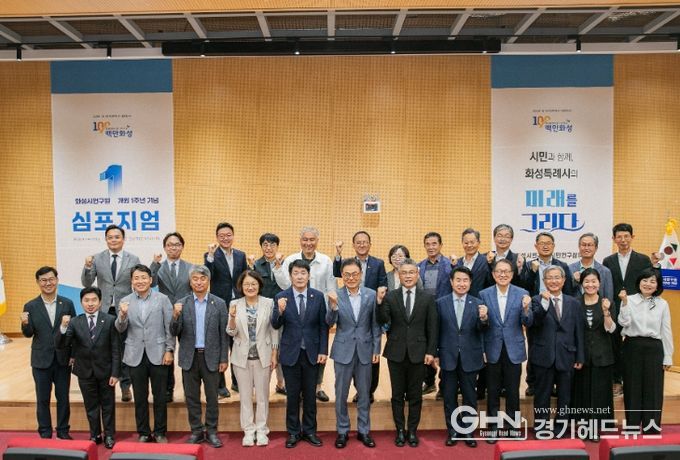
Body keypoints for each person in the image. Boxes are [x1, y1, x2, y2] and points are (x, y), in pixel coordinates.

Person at [377, 258, 438, 448]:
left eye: (412, 272)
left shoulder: (427, 298)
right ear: (399, 275)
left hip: (419, 353)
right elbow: (383, 320)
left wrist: (431, 351)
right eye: (404, 273)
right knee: (397, 395)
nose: (408, 276)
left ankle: (412, 431)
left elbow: (433, 327)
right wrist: (379, 302)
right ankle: (400, 431)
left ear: (417, 274)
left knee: (415, 395)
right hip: (395, 353)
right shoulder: (390, 296)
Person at [271, 259, 329, 448]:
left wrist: (323, 350)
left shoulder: (318, 296)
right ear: (290, 276)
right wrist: (279, 311)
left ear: (309, 275)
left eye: (303, 273)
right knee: (293, 396)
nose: (299, 276)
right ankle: (294, 432)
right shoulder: (281, 296)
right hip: (290, 353)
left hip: (312, 353)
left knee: (310, 396)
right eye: (295, 273)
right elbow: (275, 324)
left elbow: (323, 326)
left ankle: (310, 431)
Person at [115, 264, 174, 443]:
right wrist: (122, 315)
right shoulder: (125, 301)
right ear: (131, 281)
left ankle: (160, 432)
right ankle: (143, 432)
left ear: (150, 280)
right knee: (140, 397)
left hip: (159, 353)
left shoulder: (162, 299)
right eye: (136, 278)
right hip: (135, 355)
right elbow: (120, 328)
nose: (140, 281)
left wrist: (169, 350)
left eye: (143, 278)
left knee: (160, 396)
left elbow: (169, 327)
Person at [326, 259, 382, 449]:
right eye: (347, 275)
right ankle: (342, 431)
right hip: (343, 351)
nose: (351, 278)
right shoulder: (336, 295)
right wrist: (333, 306)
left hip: (365, 350)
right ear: (342, 276)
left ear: (361, 275)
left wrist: (376, 348)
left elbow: (375, 324)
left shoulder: (371, 295)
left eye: (355, 274)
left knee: (364, 394)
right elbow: (329, 322)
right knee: (341, 393)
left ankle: (364, 430)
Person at [171, 265, 228, 448]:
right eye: (195, 279)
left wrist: (223, 359)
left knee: (212, 397)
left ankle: (211, 431)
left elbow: (224, 334)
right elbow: (174, 331)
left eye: (202, 279)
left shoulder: (219, 303)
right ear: (190, 282)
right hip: (189, 357)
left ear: (208, 281)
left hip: (211, 357)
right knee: (191, 397)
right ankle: (196, 431)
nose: (199, 282)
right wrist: (175, 316)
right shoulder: (182, 303)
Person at [277, 226, 336, 402]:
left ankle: (317, 387)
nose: (308, 243)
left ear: (317, 241)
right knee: (295, 349)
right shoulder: (291, 259)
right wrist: (278, 267)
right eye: (305, 239)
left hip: (319, 310)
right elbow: (284, 284)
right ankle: (296, 387)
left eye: (312, 240)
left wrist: (331, 308)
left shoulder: (326, 261)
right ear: (300, 240)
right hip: (295, 310)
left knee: (318, 350)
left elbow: (331, 286)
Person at [81, 224, 140, 401]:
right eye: (110, 237)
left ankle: (126, 386)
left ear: (123, 239)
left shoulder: (133, 259)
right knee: (105, 349)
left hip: (124, 310)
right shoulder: (97, 258)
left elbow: (137, 284)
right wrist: (87, 267)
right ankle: (106, 386)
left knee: (124, 348)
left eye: (117, 237)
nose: (113, 240)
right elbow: (87, 283)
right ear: (106, 239)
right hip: (104, 311)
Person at [56, 286, 120, 449]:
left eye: (93, 300)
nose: (90, 304)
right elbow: (62, 344)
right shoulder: (75, 322)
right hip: (84, 371)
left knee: (108, 405)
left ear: (100, 302)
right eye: (86, 300)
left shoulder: (110, 320)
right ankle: (95, 434)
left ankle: (109, 435)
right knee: (91, 406)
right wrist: (62, 328)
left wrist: (115, 373)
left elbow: (115, 348)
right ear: (81, 302)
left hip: (106, 371)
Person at [478, 259, 532, 444]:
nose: (503, 274)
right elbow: (481, 325)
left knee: (512, 391)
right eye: (499, 271)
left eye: (506, 271)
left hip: (513, 349)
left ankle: (512, 427)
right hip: (492, 348)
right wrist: (483, 318)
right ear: (493, 274)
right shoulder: (484, 294)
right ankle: (493, 428)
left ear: (512, 274)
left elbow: (528, 321)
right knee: (492, 391)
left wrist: (526, 309)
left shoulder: (522, 293)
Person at [21, 266, 77, 440]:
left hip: (62, 359)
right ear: (38, 283)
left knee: (63, 398)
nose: (48, 283)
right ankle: (45, 432)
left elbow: (74, 332)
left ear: (57, 280)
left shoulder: (67, 303)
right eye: (43, 280)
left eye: (51, 279)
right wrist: (24, 324)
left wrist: (73, 354)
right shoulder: (30, 306)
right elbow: (28, 333)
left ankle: (63, 431)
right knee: (42, 399)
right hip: (41, 360)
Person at [436, 266, 488, 448]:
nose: (461, 283)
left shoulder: (478, 303)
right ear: (451, 282)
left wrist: (483, 318)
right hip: (448, 356)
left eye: (465, 280)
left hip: (470, 356)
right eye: (458, 280)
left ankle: (468, 431)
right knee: (449, 396)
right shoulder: (440, 303)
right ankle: (452, 431)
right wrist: (435, 353)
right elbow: (436, 330)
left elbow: (482, 330)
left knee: (470, 397)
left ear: (470, 283)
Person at [333, 231, 387, 405]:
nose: (362, 245)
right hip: (350, 312)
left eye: (365, 242)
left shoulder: (378, 263)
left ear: (370, 244)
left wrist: (378, 301)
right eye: (358, 242)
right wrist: (338, 255)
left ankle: (368, 391)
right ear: (353, 245)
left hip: (369, 310)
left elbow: (383, 284)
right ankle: (359, 391)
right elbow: (337, 273)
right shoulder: (349, 264)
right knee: (352, 359)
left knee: (370, 360)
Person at [529, 265, 584, 436]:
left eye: (557, 277)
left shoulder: (574, 303)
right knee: (542, 396)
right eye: (549, 278)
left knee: (565, 396)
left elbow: (578, 331)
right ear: (544, 281)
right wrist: (545, 303)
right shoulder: (536, 300)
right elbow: (534, 323)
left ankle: (561, 428)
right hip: (543, 356)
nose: (553, 281)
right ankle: (541, 428)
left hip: (567, 355)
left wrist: (580, 356)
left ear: (564, 280)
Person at [618, 268, 673, 434]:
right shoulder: (628, 299)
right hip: (632, 346)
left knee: (653, 389)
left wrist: (668, 356)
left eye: (652, 281)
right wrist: (625, 303)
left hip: (654, 348)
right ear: (639, 282)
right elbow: (623, 322)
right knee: (632, 387)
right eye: (645, 280)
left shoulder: (662, 304)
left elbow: (666, 330)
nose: (648, 284)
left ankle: (651, 427)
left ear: (657, 285)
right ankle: (633, 426)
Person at [227, 270, 279, 447]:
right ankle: (248, 431)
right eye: (247, 284)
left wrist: (274, 354)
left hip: (263, 356)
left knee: (263, 396)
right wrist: (232, 317)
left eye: (253, 284)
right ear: (241, 286)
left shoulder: (268, 303)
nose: (250, 287)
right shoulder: (234, 304)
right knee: (245, 397)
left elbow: (274, 330)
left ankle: (262, 430)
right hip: (241, 358)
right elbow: (231, 332)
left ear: (259, 285)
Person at [602, 223, 654, 397]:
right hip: (615, 308)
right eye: (619, 237)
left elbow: (650, 282)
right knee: (615, 345)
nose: (623, 240)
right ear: (614, 239)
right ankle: (616, 380)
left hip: (637, 309)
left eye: (626, 236)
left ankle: (633, 381)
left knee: (634, 346)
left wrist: (656, 265)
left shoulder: (643, 260)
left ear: (632, 237)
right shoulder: (608, 261)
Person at [521, 232, 574, 396]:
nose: (545, 246)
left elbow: (568, 290)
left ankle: (555, 383)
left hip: (557, 309)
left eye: (548, 243)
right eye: (541, 243)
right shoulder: (529, 265)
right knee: (535, 346)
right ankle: (533, 382)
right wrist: (532, 272)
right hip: (537, 309)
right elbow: (523, 288)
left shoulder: (562, 265)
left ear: (553, 246)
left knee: (557, 346)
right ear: (535, 246)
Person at [571, 268, 616, 440]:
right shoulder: (575, 303)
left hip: (602, 354)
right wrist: (576, 355)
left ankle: (596, 427)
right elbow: (573, 331)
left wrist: (606, 312)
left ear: (599, 283)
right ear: (581, 283)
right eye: (587, 281)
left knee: (599, 393)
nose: (590, 285)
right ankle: (583, 427)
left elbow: (611, 329)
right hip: (582, 356)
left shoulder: (607, 302)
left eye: (594, 281)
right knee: (582, 392)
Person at [205, 222, 247, 399]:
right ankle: (220, 385)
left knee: (237, 344)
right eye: (221, 236)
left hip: (238, 304)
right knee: (220, 345)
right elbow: (208, 275)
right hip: (219, 304)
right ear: (217, 237)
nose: (225, 238)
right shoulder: (210, 255)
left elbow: (245, 278)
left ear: (233, 236)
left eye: (228, 235)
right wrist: (210, 256)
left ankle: (237, 382)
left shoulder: (240, 255)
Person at [151, 231, 193, 403]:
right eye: (170, 245)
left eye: (177, 244)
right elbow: (151, 283)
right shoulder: (158, 267)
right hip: (164, 314)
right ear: (165, 247)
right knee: (166, 352)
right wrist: (154, 264)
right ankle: (168, 389)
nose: (173, 248)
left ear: (182, 247)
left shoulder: (190, 267)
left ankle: (189, 390)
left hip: (186, 314)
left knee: (187, 353)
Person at [249, 232, 287, 395]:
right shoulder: (255, 265)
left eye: (272, 244)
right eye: (265, 244)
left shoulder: (285, 264)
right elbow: (251, 288)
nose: (269, 248)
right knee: (264, 350)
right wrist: (250, 268)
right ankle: (261, 385)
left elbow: (287, 286)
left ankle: (281, 383)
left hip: (282, 312)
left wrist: (278, 266)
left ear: (277, 247)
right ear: (261, 247)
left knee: (281, 348)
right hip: (262, 313)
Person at [418, 232, 451, 396]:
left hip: (445, 312)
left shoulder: (450, 265)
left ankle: (444, 385)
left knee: (445, 348)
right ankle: (429, 382)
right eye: (428, 244)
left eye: (434, 243)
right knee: (427, 346)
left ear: (440, 245)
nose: (431, 247)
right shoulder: (419, 266)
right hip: (425, 314)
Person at [568, 233, 615, 304]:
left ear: (596, 248)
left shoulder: (605, 271)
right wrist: (574, 281)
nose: (586, 248)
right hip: (574, 309)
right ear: (579, 247)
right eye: (583, 245)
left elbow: (608, 298)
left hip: (598, 309)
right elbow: (565, 294)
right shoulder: (569, 269)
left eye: (590, 245)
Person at [452, 228, 492, 297]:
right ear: (462, 243)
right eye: (466, 243)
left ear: (479, 243)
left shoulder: (486, 261)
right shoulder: (457, 263)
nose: (469, 245)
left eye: (472, 242)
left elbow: (491, 284)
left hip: (480, 301)